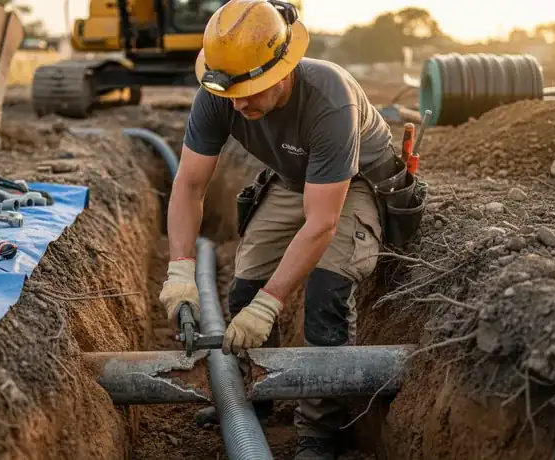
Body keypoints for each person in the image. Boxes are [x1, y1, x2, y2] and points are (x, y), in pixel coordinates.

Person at [158, 0, 404, 458]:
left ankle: (321, 430)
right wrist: (179, 269)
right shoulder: (221, 90)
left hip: (353, 185)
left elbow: (323, 221)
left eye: (255, 89)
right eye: (234, 93)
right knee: (243, 289)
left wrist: (272, 305)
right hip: (294, 181)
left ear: (284, 66)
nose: (243, 102)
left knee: (325, 295)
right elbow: (189, 185)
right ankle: (257, 398)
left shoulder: (329, 97)